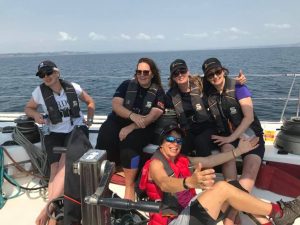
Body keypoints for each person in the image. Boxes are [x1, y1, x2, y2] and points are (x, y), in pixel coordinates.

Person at [139, 124, 300, 225]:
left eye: (179, 141)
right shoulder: (156, 164)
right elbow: (164, 183)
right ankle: (279, 212)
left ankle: (268, 221)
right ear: (161, 142)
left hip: (189, 210)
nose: (175, 144)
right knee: (222, 188)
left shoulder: (181, 160)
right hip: (174, 221)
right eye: (170, 139)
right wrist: (188, 182)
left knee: (233, 187)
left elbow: (209, 160)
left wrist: (238, 151)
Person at [24, 60, 95, 225]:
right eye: (42, 75)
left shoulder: (73, 87)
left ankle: (48, 210)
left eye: (49, 72)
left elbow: (90, 102)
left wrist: (89, 120)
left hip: (75, 129)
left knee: (64, 163)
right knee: (54, 168)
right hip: (54, 132)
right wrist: (35, 115)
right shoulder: (39, 92)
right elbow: (28, 108)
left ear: (57, 72)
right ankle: (53, 207)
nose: (46, 77)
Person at [202, 57, 265, 225]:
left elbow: (249, 117)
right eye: (210, 75)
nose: (215, 77)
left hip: (250, 135)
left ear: (223, 70)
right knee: (227, 155)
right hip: (229, 138)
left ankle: (230, 216)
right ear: (206, 78)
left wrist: (231, 137)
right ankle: (235, 214)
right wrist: (229, 139)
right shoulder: (208, 91)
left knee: (249, 173)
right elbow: (189, 80)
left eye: (218, 72)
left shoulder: (239, 87)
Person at [95, 57, 165, 201]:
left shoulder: (158, 92)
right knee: (106, 135)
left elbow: (151, 116)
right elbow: (116, 105)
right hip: (121, 120)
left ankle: (130, 186)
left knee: (130, 143)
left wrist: (131, 127)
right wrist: (132, 116)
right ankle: (104, 178)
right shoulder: (126, 85)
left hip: (143, 126)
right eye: (139, 71)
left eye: (146, 72)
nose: (142, 75)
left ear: (152, 74)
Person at [165, 59, 246, 157]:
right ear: (172, 78)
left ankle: (206, 171)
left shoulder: (201, 83)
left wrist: (235, 81)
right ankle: (184, 171)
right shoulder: (170, 96)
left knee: (201, 142)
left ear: (188, 71)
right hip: (188, 129)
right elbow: (170, 119)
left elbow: (219, 81)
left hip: (209, 126)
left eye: (182, 71)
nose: (180, 75)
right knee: (180, 145)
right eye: (175, 73)